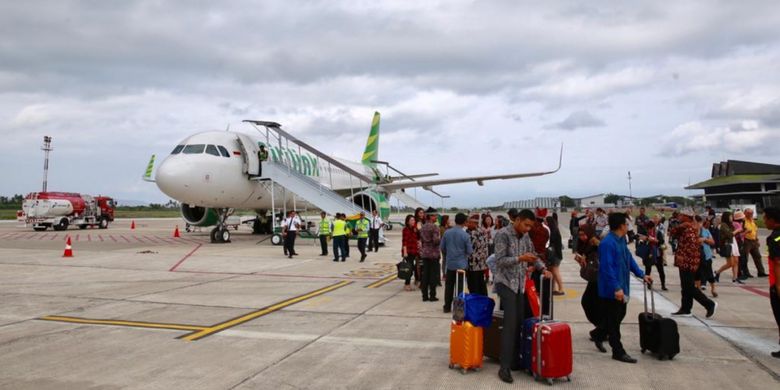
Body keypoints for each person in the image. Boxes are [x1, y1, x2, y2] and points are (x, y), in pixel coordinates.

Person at [493, 209, 548, 383]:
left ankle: (516, 361)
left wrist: (543, 268)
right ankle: (504, 367)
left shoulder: (525, 236)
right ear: (517, 220)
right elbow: (499, 261)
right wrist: (520, 259)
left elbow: (533, 255)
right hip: (505, 283)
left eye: (530, 226)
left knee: (519, 322)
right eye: (526, 225)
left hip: (520, 285)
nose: (528, 229)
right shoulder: (503, 234)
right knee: (509, 324)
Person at [596, 212, 652, 364]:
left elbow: (629, 259)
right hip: (612, 290)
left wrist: (641, 275)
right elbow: (607, 268)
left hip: (623, 285)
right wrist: (616, 288)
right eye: (627, 224)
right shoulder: (608, 243)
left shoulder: (621, 240)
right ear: (621, 225)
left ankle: (597, 334)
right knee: (614, 321)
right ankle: (618, 351)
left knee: (618, 317)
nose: (628, 226)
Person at [669, 211, 717, 318]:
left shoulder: (690, 229)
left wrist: (682, 255)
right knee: (685, 287)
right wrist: (681, 225)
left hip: (689, 262)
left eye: (682, 215)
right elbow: (672, 232)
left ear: (687, 217)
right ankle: (686, 309)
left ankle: (709, 304)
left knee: (689, 287)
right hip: (685, 262)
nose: (679, 217)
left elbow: (692, 246)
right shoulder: (685, 228)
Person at [574, 224, 606, 352]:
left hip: (601, 279)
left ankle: (601, 330)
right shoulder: (586, 246)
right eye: (580, 235)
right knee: (589, 302)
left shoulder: (596, 244)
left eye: (584, 234)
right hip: (594, 279)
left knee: (589, 302)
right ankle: (601, 329)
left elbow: (603, 258)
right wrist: (582, 261)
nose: (582, 237)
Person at [440, 213, 473, 314]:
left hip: (450, 264)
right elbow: (469, 251)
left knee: (449, 286)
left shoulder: (447, 233)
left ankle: (446, 307)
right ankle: (458, 309)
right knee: (460, 288)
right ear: (464, 222)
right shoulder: (465, 235)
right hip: (461, 265)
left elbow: (442, 247)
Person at [760, 207, 780, 358]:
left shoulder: (774, 238)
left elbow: (778, 263)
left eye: (766, 218)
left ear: (773, 220)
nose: (764, 221)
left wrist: (778, 287)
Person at [419, 210, 441, 301]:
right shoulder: (434, 227)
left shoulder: (423, 227)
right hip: (433, 254)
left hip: (425, 253)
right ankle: (432, 295)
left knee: (425, 275)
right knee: (433, 275)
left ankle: (424, 296)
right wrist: (440, 239)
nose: (436, 217)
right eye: (435, 216)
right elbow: (436, 241)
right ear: (430, 217)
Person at [716, 212, 742, 284]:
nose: (732, 218)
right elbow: (729, 234)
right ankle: (717, 272)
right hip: (728, 244)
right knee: (730, 263)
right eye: (730, 216)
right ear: (726, 217)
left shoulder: (730, 224)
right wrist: (737, 230)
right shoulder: (723, 225)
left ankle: (735, 278)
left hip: (733, 242)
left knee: (736, 261)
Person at [694, 215, 718, 298]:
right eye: (696, 223)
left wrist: (704, 239)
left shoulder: (706, 231)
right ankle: (699, 290)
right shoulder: (692, 232)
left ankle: (713, 289)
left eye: (699, 223)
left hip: (706, 255)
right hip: (696, 255)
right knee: (697, 273)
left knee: (709, 272)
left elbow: (712, 242)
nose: (698, 224)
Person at [640, 221, 667, 291]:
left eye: (651, 228)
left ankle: (663, 285)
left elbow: (662, 241)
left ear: (654, 227)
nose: (649, 230)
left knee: (661, 270)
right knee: (648, 270)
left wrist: (656, 241)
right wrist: (645, 239)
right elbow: (640, 241)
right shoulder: (645, 233)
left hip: (657, 254)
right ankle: (648, 284)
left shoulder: (658, 233)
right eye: (648, 229)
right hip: (648, 255)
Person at [466, 214, 489, 296]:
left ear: (474, 223)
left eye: (468, 222)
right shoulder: (483, 231)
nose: (467, 224)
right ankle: (484, 300)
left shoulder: (472, 233)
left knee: (473, 285)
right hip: (481, 263)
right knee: (481, 284)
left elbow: (468, 248)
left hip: (473, 264)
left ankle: (475, 301)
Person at [744, 209, 769, 277]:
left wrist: (757, 240)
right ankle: (745, 272)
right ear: (745, 213)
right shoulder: (743, 221)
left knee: (757, 256)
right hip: (746, 241)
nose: (751, 214)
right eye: (749, 213)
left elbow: (755, 230)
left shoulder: (752, 221)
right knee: (745, 257)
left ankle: (761, 272)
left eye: (752, 213)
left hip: (753, 240)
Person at [546, 215, 565, 296]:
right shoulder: (554, 230)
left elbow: (551, 243)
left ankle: (561, 289)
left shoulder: (552, 232)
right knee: (552, 272)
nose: (545, 223)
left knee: (555, 271)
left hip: (555, 255)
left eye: (546, 222)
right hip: (556, 254)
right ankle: (553, 288)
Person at [401, 215, 419, 292]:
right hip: (408, 252)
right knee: (409, 268)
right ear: (407, 221)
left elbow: (417, 238)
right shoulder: (405, 230)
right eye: (411, 220)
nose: (413, 221)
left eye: (414, 220)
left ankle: (413, 282)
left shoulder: (414, 229)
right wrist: (405, 252)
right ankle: (407, 284)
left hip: (414, 251)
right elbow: (404, 241)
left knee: (413, 267)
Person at [733, 211, 750, 280]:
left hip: (740, 242)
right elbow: (738, 235)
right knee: (741, 259)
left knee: (742, 258)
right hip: (738, 242)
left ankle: (742, 273)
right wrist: (746, 232)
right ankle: (740, 273)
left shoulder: (739, 223)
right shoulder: (736, 224)